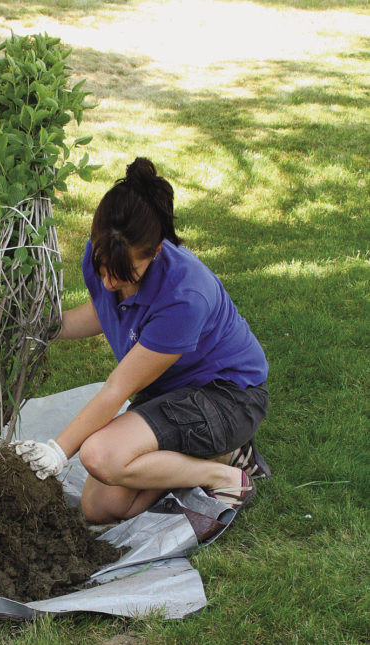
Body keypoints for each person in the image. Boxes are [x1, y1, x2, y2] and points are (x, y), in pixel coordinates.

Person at [14, 156, 270, 524]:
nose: (108, 282)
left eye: (124, 275)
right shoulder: (107, 253)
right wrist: (46, 327)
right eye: (102, 269)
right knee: (101, 507)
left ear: (157, 252)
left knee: (99, 455)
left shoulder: (184, 295)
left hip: (228, 396)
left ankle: (225, 474)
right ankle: (218, 454)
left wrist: (58, 449)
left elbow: (117, 388)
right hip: (173, 392)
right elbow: (105, 310)